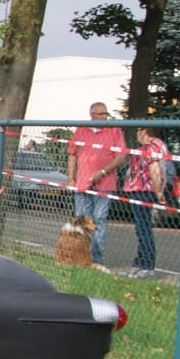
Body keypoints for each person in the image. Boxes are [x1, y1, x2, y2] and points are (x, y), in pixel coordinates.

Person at [65, 102, 127, 269]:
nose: (104, 117)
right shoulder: (81, 130)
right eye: (101, 114)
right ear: (92, 115)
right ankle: (79, 257)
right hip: (82, 184)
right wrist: (71, 177)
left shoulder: (114, 131)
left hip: (104, 184)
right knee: (80, 221)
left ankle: (96, 259)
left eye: (106, 114)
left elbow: (120, 157)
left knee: (99, 220)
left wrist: (103, 172)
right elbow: (72, 154)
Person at [121, 126, 167, 279]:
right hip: (140, 190)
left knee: (143, 229)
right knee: (141, 229)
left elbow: (154, 170)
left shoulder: (151, 147)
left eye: (139, 131)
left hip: (143, 191)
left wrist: (158, 192)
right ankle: (140, 263)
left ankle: (147, 265)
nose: (137, 134)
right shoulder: (154, 146)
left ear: (145, 131)